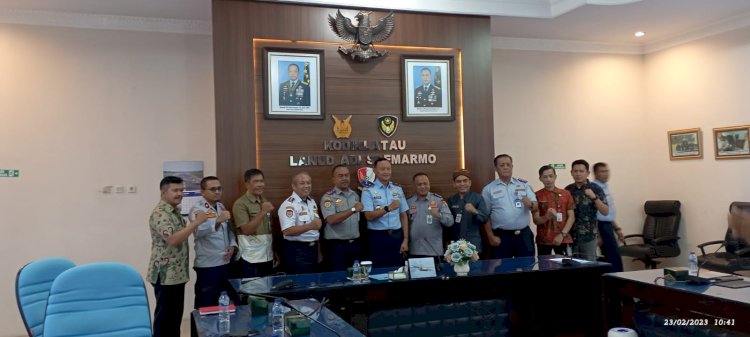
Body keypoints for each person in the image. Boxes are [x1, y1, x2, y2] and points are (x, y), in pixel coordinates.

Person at [147, 176, 208, 337]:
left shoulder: (175, 212)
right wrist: (196, 222)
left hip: (177, 274)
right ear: (163, 192)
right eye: (175, 190)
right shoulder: (160, 213)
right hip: (165, 274)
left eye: (181, 190)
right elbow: (173, 239)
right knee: (165, 319)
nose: (180, 194)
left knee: (174, 318)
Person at [189, 176, 236, 337]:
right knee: (205, 306)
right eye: (213, 189)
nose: (217, 191)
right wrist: (217, 220)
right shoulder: (197, 209)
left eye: (219, 188)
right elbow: (198, 231)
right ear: (203, 192)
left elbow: (228, 230)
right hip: (208, 266)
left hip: (224, 262)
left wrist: (232, 245)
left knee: (224, 305)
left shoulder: (221, 206)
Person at [481, 154, 537, 258]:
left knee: (528, 266)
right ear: (496, 168)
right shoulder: (489, 189)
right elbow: (485, 215)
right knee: (503, 269)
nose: (505, 167)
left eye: (508, 164)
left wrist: (530, 203)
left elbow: (535, 206)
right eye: (502, 165)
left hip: (524, 235)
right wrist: (490, 236)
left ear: (512, 166)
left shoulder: (523, 185)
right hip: (502, 236)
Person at [361, 157, 410, 268]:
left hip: (397, 236)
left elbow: (403, 215)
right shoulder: (368, 190)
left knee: (398, 270)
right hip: (378, 237)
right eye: (382, 169)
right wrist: (388, 208)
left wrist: (405, 239)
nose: (386, 172)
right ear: (375, 171)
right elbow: (368, 216)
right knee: (379, 271)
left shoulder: (397, 188)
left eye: (388, 169)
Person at [232, 169, 275, 278]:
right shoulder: (240, 204)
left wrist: (272, 250)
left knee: (267, 292)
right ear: (247, 184)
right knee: (253, 294)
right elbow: (246, 230)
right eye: (256, 181)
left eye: (262, 181)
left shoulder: (264, 201)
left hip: (267, 257)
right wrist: (263, 212)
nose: (260, 185)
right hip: (250, 258)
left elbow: (268, 230)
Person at [320, 165, 363, 271]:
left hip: (355, 244)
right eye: (340, 176)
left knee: (356, 278)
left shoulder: (355, 195)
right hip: (337, 246)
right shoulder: (328, 197)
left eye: (346, 175)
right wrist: (353, 209)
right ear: (333, 179)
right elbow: (331, 219)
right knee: (338, 280)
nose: (344, 178)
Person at [565, 159, 609, 261]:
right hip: (570, 236)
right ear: (571, 173)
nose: (578, 174)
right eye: (575, 171)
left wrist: (594, 197)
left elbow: (605, 211)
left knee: (589, 267)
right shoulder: (568, 189)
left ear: (588, 173)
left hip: (588, 236)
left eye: (581, 171)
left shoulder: (595, 188)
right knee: (572, 266)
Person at [279, 172, 321, 274]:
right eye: (302, 183)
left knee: (313, 284)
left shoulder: (311, 202)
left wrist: (318, 250)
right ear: (294, 186)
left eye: (308, 183)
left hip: (313, 249)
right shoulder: (289, 205)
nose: (306, 186)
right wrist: (310, 226)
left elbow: (315, 231)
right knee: (301, 285)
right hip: (297, 251)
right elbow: (287, 231)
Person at [406, 173, 453, 261]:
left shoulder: (438, 200)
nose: (423, 186)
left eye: (425, 183)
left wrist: (438, 215)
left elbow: (450, 222)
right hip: (414, 250)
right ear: (414, 186)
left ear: (429, 184)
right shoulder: (409, 201)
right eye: (419, 184)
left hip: (434, 250)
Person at [531, 165, 575, 256]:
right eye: (545, 177)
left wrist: (562, 235)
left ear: (555, 177)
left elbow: (571, 217)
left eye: (551, 176)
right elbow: (536, 220)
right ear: (540, 179)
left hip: (563, 238)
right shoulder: (536, 195)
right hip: (544, 240)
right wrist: (546, 216)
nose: (548, 179)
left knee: (566, 267)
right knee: (544, 267)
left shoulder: (566, 194)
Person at [446, 169, 489, 255]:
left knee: (475, 268)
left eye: (465, 181)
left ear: (470, 182)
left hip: (473, 244)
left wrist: (475, 211)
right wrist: (447, 242)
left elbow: (485, 218)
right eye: (458, 181)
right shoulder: (451, 200)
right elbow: (447, 224)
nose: (462, 184)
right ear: (454, 184)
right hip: (455, 245)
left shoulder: (478, 198)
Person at [592, 162, 624, 272]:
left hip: (608, 225)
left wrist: (617, 229)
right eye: (602, 171)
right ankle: (615, 285)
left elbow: (608, 212)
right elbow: (594, 214)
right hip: (600, 227)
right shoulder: (594, 189)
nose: (606, 174)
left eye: (607, 171)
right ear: (595, 173)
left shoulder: (604, 187)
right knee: (612, 259)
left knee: (613, 258)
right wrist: (598, 235)